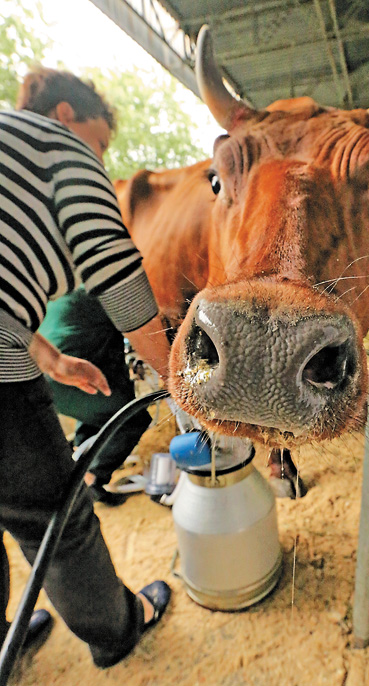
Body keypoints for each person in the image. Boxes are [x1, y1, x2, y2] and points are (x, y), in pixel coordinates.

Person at [0, 66, 172, 670]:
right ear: (67, 115)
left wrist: (47, 357)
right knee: (55, 517)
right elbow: (116, 272)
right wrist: (181, 379)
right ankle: (117, 628)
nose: (100, 160)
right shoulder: (56, 144)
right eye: (101, 144)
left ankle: (7, 638)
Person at [38, 286, 152, 506]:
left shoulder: (66, 292)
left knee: (96, 411)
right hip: (65, 377)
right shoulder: (108, 290)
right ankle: (92, 481)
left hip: (48, 378)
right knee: (132, 417)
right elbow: (141, 329)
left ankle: (80, 465)